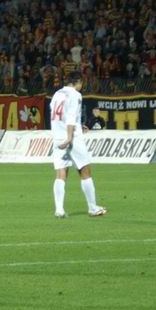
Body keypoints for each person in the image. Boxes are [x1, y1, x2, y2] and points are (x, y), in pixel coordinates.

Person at [50, 71, 106, 218]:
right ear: (78, 82)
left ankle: (59, 209)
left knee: (61, 173)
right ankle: (92, 208)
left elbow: (58, 116)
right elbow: (69, 117)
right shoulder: (75, 95)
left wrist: (77, 126)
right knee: (85, 170)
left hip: (58, 137)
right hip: (72, 138)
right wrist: (70, 136)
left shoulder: (57, 94)